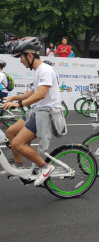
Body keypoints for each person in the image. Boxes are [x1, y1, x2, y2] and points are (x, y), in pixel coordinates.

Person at [2, 37, 65, 186]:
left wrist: (18, 104)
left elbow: (41, 94)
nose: (21, 61)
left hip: (47, 113)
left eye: (21, 58)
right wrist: (12, 97)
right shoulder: (38, 71)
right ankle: (19, 165)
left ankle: (45, 167)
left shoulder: (45, 70)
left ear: (29, 55)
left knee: (18, 143)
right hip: (38, 111)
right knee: (11, 132)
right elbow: (32, 92)